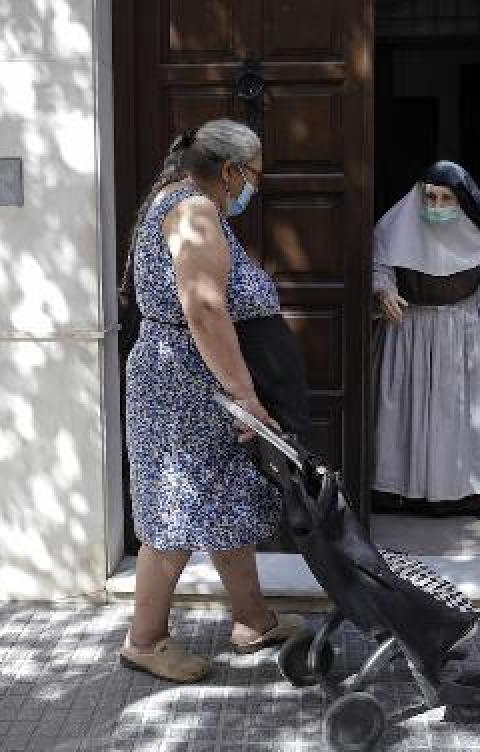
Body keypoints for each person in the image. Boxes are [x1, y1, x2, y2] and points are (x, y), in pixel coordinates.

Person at [118, 119, 303, 683]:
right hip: (186, 386)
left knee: (226, 500)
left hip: (192, 381)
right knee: (176, 509)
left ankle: (252, 619)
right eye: (253, 176)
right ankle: (145, 640)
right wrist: (245, 394)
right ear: (229, 170)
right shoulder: (195, 212)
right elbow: (203, 308)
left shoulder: (176, 201)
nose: (253, 188)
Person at [371, 161, 480, 521]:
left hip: (467, 327)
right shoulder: (393, 228)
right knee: (406, 412)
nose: (435, 207)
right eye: (430, 198)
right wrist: (383, 291)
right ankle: (400, 492)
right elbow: (379, 268)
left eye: (445, 199)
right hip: (412, 330)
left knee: (472, 412)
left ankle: (479, 491)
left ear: (462, 201)